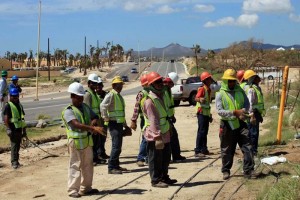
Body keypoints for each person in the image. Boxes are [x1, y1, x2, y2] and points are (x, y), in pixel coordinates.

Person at [62, 82, 105, 198]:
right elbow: (76, 124)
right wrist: (92, 128)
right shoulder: (68, 111)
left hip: (86, 141)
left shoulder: (85, 107)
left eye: (81, 97)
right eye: (78, 97)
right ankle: (72, 190)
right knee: (75, 166)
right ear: (72, 96)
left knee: (88, 165)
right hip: (75, 143)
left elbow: (94, 116)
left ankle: (86, 188)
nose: (80, 99)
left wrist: (94, 121)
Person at [216, 69, 255, 180]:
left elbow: (247, 104)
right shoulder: (220, 94)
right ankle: (226, 170)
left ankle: (248, 171)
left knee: (248, 146)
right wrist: (234, 113)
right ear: (225, 81)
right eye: (229, 81)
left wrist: (243, 111)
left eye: (233, 81)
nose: (231, 83)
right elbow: (219, 111)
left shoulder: (240, 91)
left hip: (241, 123)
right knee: (227, 149)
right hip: (227, 125)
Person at [141, 71, 177, 188]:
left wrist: (169, 127)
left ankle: (164, 176)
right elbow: (153, 120)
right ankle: (155, 180)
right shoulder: (150, 101)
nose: (160, 84)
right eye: (157, 82)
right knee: (155, 158)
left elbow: (165, 114)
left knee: (166, 157)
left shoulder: (162, 96)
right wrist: (157, 136)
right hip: (155, 135)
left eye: (160, 81)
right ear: (151, 85)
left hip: (165, 131)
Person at [100, 76, 129, 175]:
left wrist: (125, 125)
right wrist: (105, 117)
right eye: (118, 85)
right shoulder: (111, 94)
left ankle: (116, 165)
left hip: (119, 123)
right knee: (116, 146)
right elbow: (103, 106)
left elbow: (121, 112)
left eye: (121, 85)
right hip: (113, 123)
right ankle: (111, 167)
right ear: (113, 85)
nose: (120, 86)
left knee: (118, 146)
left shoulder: (118, 96)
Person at [83, 73, 106, 165]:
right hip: (92, 122)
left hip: (97, 120)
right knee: (92, 142)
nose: (96, 85)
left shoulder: (94, 94)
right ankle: (91, 159)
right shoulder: (88, 94)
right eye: (93, 83)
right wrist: (92, 123)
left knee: (97, 141)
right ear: (89, 84)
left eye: (96, 83)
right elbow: (87, 109)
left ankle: (96, 158)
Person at [163, 75, 186, 162]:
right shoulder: (164, 91)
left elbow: (170, 105)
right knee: (171, 138)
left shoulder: (168, 90)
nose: (172, 86)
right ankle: (174, 156)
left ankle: (175, 156)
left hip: (169, 117)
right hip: (165, 118)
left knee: (172, 137)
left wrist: (172, 116)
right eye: (172, 84)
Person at [243, 69, 265, 156]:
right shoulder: (251, 89)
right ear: (252, 78)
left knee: (254, 133)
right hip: (252, 114)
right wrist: (252, 115)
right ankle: (252, 152)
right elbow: (250, 103)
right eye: (256, 77)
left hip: (256, 113)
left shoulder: (255, 88)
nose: (258, 78)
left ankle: (253, 151)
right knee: (253, 133)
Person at [3, 88, 27, 169]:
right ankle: (14, 163)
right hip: (13, 129)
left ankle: (17, 161)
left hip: (19, 129)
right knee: (14, 146)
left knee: (18, 146)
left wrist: (24, 131)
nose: (16, 98)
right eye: (14, 96)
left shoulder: (20, 105)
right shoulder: (8, 105)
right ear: (10, 96)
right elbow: (5, 119)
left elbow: (22, 118)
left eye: (17, 96)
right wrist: (8, 129)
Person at [130, 73, 149, 167]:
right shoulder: (142, 94)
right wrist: (133, 120)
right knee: (146, 139)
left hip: (151, 120)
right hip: (144, 120)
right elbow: (136, 108)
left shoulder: (152, 93)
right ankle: (140, 158)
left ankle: (148, 158)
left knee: (150, 139)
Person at [194, 72, 213, 157]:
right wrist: (200, 99)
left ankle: (204, 149)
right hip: (201, 113)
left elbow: (208, 104)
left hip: (206, 113)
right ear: (205, 80)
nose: (211, 80)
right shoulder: (202, 89)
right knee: (201, 132)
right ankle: (198, 150)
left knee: (205, 132)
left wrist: (210, 115)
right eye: (209, 79)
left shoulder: (208, 89)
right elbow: (196, 98)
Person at [95, 77, 109, 160]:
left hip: (104, 120)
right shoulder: (94, 95)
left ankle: (102, 153)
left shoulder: (106, 94)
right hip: (97, 120)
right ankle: (98, 154)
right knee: (98, 139)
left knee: (103, 137)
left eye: (100, 85)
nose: (98, 87)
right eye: (97, 86)